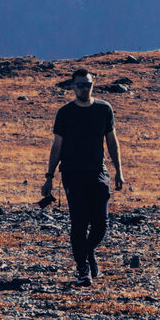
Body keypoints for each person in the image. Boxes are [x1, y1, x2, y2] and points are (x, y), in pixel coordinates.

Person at [41, 68, 126, 287]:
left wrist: (119, 171)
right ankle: (83, 270)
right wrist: (49, 176)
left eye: (88, 84)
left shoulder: (104, 109)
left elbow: (112, 142)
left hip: (98, 173)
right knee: (78, 224)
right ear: (72, 87)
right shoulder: (65, 113)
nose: (84, 88)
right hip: (72, 174)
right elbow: (57, 146)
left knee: (100, 224)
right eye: (80, 85)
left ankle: (87, 253)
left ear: (93, 84)